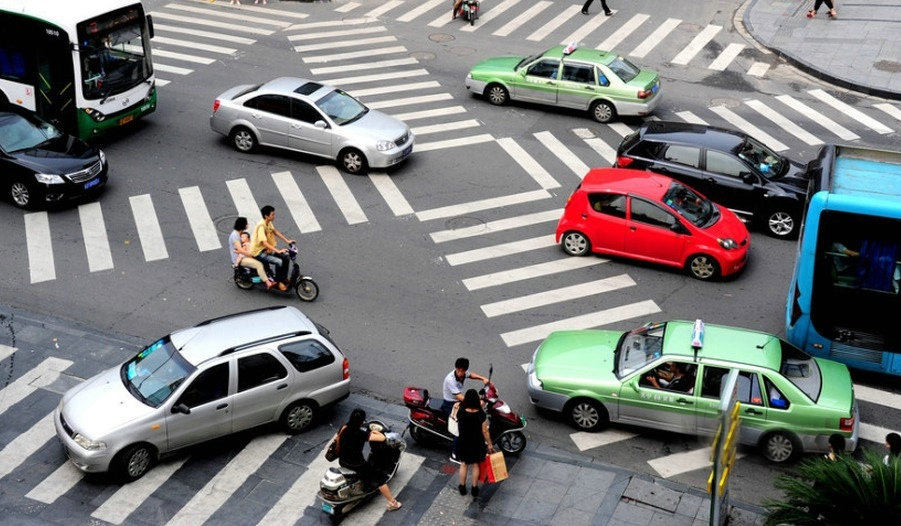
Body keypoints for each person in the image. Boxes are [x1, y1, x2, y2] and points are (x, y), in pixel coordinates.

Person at [336, 408, 402, 511]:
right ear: (362, 421)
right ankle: (392, 503)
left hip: (343, 461)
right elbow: (382, 438)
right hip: (357, 465)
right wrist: (375, 431)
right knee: (379, 479)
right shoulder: (360, 433)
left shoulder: (344, 428)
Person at [454, 389, 493, 497]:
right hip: (477, 442)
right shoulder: (481, 414)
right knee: (476, 465)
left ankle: (462, 487)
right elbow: (485, 430)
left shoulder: (461, 411)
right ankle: (474, 488)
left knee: (464, 464)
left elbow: (456, 417)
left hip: (463, 441)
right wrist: (489, 443)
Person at [250, 205, 295, 291]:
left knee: (286, 257)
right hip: (258, 252)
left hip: (265, 249)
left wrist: (287, 241)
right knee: (279, 261)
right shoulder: (261, 226)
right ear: (266, 216)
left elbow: (275, 231)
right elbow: (264, 243)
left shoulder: (268, 222)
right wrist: (278, 251)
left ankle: (283, 278)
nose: (274, 216)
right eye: (272, 214)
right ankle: (277, 282)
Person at [229, 217, 275, 289]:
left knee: (264, 257)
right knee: (259, 264)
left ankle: (268, 274)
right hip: (240, 258)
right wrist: (252, 255)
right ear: (242, 225)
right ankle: (268, 282)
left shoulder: (241, 233)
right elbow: (240, 250)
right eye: (246, 224)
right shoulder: (235, 236)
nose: (248, 225)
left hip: (246, 253)